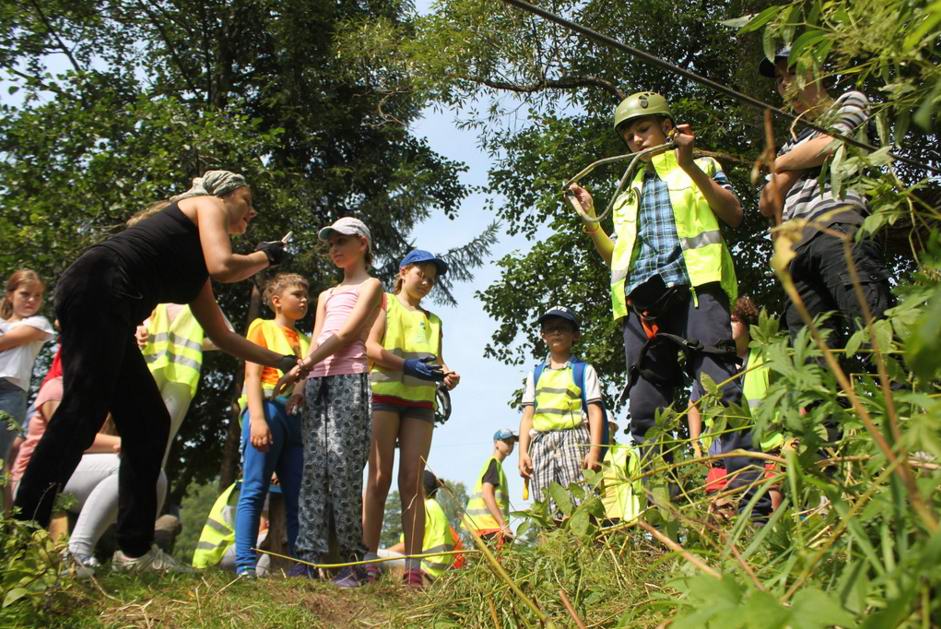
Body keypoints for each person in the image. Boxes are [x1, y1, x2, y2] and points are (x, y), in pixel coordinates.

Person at [14, 170, 302, 573]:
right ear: (223, 195)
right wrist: (266, 256)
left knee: (149, 424)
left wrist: (281, 361)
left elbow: (222, 335)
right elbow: (225, 265)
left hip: (110, 304)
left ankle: (134, 551)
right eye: (246, 199)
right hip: (99, 286)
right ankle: (22, 534)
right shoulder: (207, 203)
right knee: (81, 413)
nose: (251, 211)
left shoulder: (194, 271)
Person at [566, 93, 768, 519]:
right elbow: (617, 255)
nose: (636, 140)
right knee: (644, 410)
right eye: (629, 135)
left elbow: (733, 213)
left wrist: (689, 162)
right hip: (641, 306)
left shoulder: (700, 166)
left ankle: (756, 509)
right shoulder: (626, 193)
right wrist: (590, 220)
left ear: (666, 128)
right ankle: (668, 520)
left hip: (696, 290)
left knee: (720, 393)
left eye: (644, 129)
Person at [276, 217, 442, 586]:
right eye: (331, 242)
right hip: (317, 380)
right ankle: (307, 558)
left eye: (342, 241)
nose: (334, 248)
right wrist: (303, 382)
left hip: (351, 379)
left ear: (362, 244)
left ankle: (352, 561)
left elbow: (349, 333)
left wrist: (304, 365)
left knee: (344, 470)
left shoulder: (373, 286)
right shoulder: (326, 295)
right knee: (313, 473)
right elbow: (318, 336)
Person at [758, 48, 892, 353]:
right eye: (779, 79)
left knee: (871, 328)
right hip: (794, 248)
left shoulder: (849, 102)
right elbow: (766, 202)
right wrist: (797, 156)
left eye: (791, 72)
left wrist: (781, 164)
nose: (784, 84)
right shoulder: (792, 141)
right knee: (812, 353)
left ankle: (897, 396)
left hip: (838, 226)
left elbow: (836, 143)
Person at [362, 249, 459, 588]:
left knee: (412, 483)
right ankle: (368, 558)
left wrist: (447, 375)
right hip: (384, 397)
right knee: (378, 477)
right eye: (422, 273)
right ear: (403, 272)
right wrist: (405, 366)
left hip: (420, 403)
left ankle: (413, 570)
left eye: (432, 277)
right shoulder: (384, 304)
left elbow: (439, 360)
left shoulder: (435, 321)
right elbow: (369, 348)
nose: (427, 281)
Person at [233, 273, 310, 577]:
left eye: (306, 295)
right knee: (254, 488)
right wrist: (258, 419)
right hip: (266, 410)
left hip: (295, 420)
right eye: (297, 294)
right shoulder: (261, 327)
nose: (304, 300)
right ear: (277, 301)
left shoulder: (306, 339)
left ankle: (301, 567)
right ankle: (244, 566)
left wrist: (300, 393)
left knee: (297, 493)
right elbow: (252, 375)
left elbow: (305, 376)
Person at [690, 297, 784, 511]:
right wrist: (695, 442)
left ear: (748, 325)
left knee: (769, 508)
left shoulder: (767, 357)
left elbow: (791, 397)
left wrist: (793, 438)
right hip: (721, 456)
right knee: (721, 517)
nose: (726, 325)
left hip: (766, 450)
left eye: (732, 320)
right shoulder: (713, 364)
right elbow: (693, 404)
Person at [517, 307, 604, 515]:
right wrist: (522, 452)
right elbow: (528, 417)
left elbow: (595, 413)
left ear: (575, 335)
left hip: (574, 439)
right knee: (545, 504)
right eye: (551, 328)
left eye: (563, 328)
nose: (556, 333)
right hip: (541, 443)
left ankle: (585, 545)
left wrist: (594, 451)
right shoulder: (535, 374)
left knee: (582, 501)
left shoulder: (583, 370)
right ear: (543, 335)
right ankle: (552, 546)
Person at [0, 270, 54, 486]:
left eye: (38, 295)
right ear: (11, 295)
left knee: (0, 464)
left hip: (8, 395)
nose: (32, 300)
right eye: (25, 294)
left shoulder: (38, 324)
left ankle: (6, 519)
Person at [382, 471, 460, 583]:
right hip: (441, 575)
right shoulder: (434, 507)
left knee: (376, 557)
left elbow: (406, 546)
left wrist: (381, 555)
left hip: (426, 570)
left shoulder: (422, 508)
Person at [463, 429, 517, 544]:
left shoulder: (496, 465)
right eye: (507, 441)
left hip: (487, 527)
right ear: (496, 443)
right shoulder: (493, 464)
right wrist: (503, 524)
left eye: (513, 442)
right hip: (489, 527)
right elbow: (487, 494)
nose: (510, 445)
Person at [600, 421, 643, 526]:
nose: (604, 429)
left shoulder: (627, 452)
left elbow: (639, 487)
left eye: (607, 425)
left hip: (625, 516)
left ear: (614, 430)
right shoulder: (588, 455)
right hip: (600, 517)